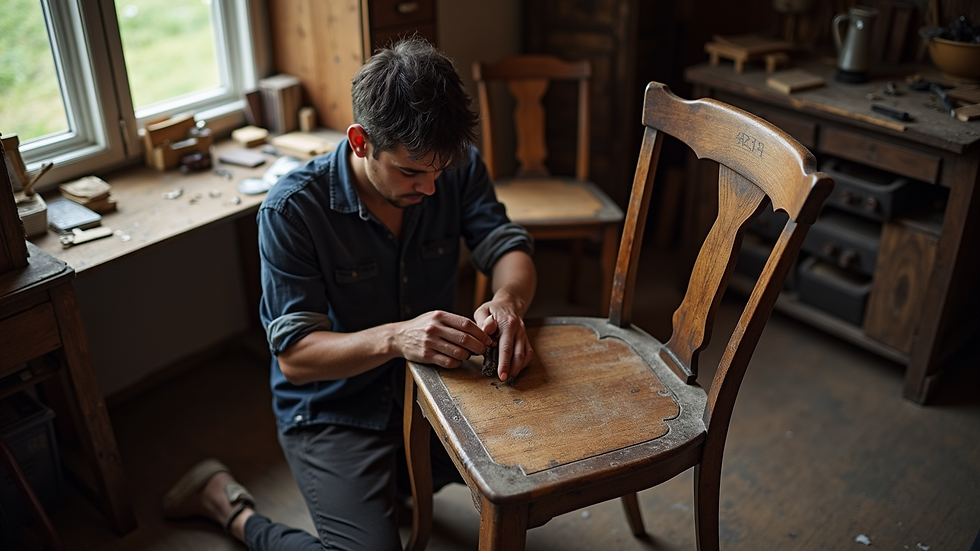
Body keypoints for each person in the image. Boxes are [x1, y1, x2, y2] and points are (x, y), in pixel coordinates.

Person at [162, 36, 536, 550]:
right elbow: (295, 357)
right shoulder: (291, 210)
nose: (429, 189)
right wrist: (395, 338)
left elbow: (505, 245)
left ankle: (401, 482)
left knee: (532, 473)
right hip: (333, 409)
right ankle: (229, 510)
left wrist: (508, 301)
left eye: (439, 172)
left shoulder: (456, 166)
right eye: (410, 172)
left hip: (433, 391)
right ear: (361, 142)